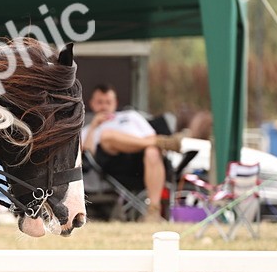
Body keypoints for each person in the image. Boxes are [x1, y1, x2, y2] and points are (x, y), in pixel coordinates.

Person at [82, 84, 201, 222]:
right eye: (100, 102)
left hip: (143, 162)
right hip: (115, 166)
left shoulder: (131, 115)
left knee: (152, 151)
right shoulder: (87, 129)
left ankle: (153, 211)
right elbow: (88, 153)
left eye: (108, 102)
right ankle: (166, 142)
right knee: (107, 135)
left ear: (115, 103)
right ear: (92, 103)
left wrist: (147, 144)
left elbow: (150, 136)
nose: (104, 106)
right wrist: (94, 126)